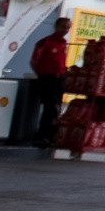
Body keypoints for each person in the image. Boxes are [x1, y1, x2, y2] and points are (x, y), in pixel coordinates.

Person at [27, 17, 72, 149]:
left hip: (59, 80)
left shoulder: (63, 44)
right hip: (47, 79)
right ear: (56, 26)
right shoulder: (45, 42)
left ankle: (50, 136)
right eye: (63, 26)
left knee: (56, 109)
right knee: (50, 108)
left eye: (68, 27)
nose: (65, 29)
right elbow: (34, 61)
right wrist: (42, 75)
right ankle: (42, 136)